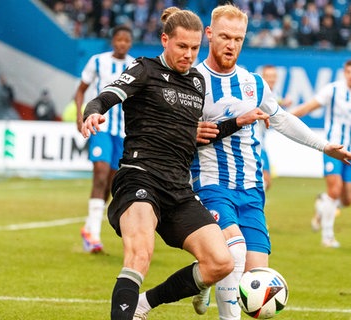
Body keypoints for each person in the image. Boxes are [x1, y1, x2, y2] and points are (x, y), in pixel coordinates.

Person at [80, 7, 266, 320]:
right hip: (140, 178)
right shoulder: (144, 70)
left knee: (221, 262)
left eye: (194, 48)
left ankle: (144, 303)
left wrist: (238, 122)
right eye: (182, 47)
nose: (189, 55)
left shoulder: (197, 82)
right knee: (140, 254)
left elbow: (201, 133)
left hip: (178, 188)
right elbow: (106, 96)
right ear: (165, 40)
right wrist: (92, 112)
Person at [184, 5, 351, 319]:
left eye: (238, 38)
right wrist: (187, 131)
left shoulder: (253, 83)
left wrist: (324, 146)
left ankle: (203, 277)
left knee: (256, 280)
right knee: (234, 252)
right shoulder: (193, 80)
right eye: (224, 36)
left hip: (251, 189)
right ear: (209, 34)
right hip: (211, 184)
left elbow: (283, 119)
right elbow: (169, 128)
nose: (231, 44)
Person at [292, 59, 351, 248]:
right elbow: (309, 107)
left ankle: (322, 206)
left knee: (348, 198)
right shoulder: (332, 90)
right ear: (344, 73)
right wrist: (283, 116)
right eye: (348, 72)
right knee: (334, 190)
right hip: (332, 148)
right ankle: (328, 236)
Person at [74, 24, 135, 253]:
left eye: (126, 40)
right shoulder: (97, 61)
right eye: (118, 39)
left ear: (130, 43)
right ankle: (94, 237)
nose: (122, 44)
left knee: (112, 183)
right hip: (100, 127)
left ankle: (89, 227)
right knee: (99, 175)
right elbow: (80, 90)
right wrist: (81, 116)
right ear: (113, 41)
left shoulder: (134, 65)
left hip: (123, 132)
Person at [257, 64, 293, 190]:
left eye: (273, 76)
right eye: (268, 76)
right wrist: (284, 103)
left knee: (266, 181)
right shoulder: (258, 91)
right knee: (261, 181)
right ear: (262, 77)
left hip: (261, 143)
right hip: (253, 142)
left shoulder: (273, 93)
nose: (271, 79)